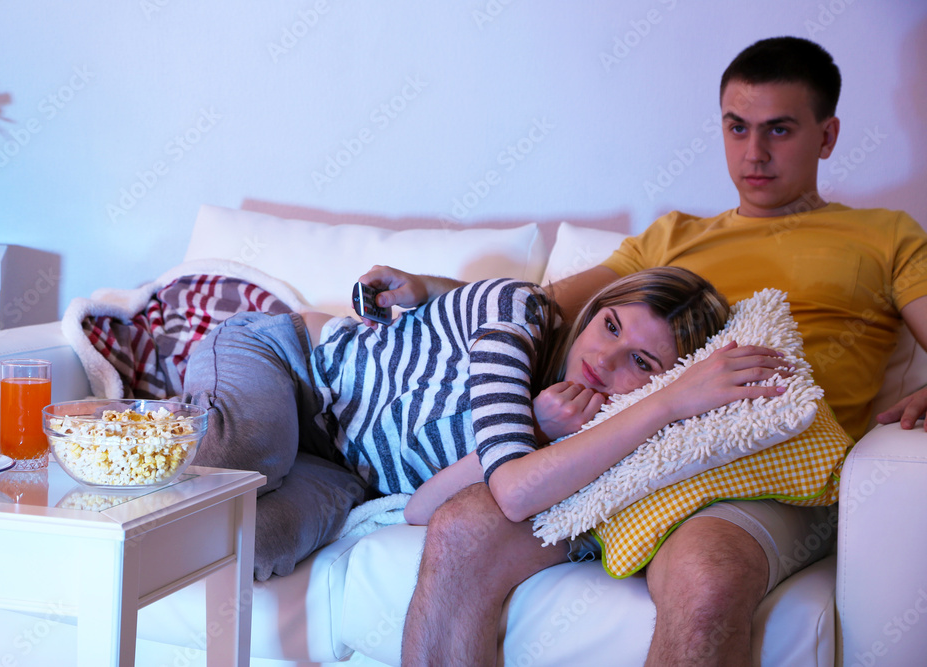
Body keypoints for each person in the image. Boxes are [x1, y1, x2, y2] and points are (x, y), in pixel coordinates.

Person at [379, 36, 927, 665]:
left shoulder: (884, 236)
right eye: (737, 127)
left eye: (780, 130)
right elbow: (544, 304)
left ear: (827, 136)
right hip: (623, 456)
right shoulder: (674, 236)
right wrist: (435, 288)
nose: (754, 153)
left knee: (706, 577)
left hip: (763, 471)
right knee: (462, 527)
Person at [179, 266, 781, 581]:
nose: (603, 359)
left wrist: (545, 434)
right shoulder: (517, 318)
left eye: (642, 363)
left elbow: (418, 510)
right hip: (290, 364)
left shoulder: (574, 436)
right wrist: (669, 400)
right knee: (247, 450)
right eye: (612, 327)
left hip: (341, 470)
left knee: (249, 540)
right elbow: (514, 491)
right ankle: (122, 423)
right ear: (592, 313)